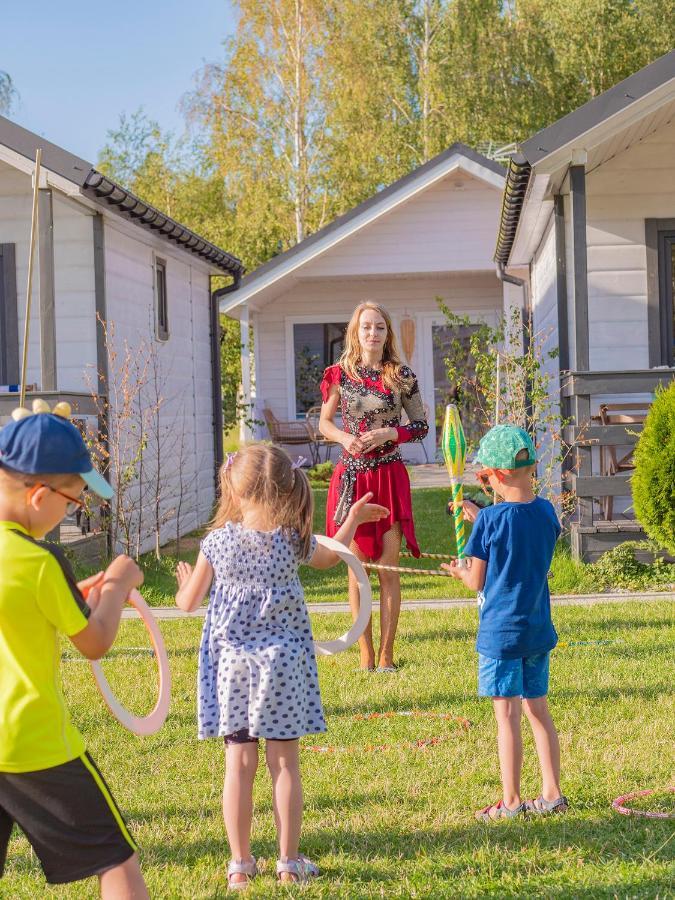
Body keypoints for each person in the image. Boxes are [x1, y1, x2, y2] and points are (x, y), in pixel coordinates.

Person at [174, 443, 388, 889]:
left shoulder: (216, 543)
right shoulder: (291, 541)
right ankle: (288, 864)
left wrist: (181, 585)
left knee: (238, 764)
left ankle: (240, 866)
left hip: (235, 670)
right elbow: (331, 558)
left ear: (233, 487)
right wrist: (349, 522)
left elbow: (188, 603)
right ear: (285, 488)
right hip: (284, 669)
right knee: (285, 764)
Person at [0, 410, 148, 897]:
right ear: (39, 496)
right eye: (73, 501)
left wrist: (74, 601)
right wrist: (119, 585)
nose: (74, 510)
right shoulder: (40, 560)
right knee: (116, 859)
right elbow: (95, 642)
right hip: (32, 745)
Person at [442, 424, 568, 821]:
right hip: (536, 630)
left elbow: (477, 580)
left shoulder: (489, 523)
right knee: (538, 711)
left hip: (500, 636)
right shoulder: (547, 513)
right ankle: (552, 794)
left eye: (483, 475)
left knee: (507, 718)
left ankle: (511, 802)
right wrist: (485, 518)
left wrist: (459, 570)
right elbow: (519, 534)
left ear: (495, 476)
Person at [319, 301, 428, 672]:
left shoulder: (401, 375)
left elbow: (421, 426)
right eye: (366, 326)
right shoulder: (339, 374)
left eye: (379, 327)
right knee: (356, 568)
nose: (372, 333)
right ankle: (365, 654)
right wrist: (343, 439)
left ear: (387, 332)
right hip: (353, 476)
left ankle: (386, 656)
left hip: (388, 476)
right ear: (355, 331)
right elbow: (325, 423)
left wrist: (390, 432)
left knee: (388, 569)